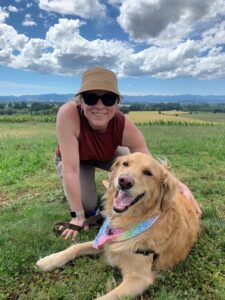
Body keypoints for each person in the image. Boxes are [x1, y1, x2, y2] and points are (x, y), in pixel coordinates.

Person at [55, 66, 202, 241]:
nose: (100, 106)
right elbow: (71, 169)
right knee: (87, 206)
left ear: (117, 103)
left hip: (107, 153)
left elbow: (148, 162)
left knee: (133, 164)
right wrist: (78, 215)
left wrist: (181, 187)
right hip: (76, 160)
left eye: (108, 99)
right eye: (91, 98)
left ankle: (118, 184)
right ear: (80, 101)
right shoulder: (68, 114)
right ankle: (97, 191)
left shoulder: (123, 125)